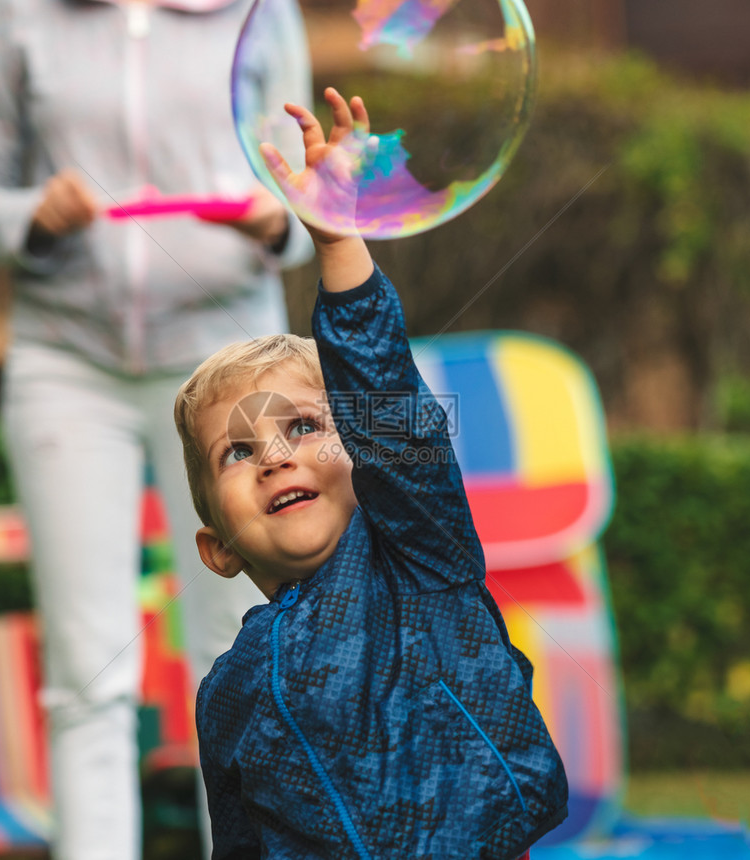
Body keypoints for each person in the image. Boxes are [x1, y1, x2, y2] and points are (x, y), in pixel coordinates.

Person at [0, 0, 312, 858]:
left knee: (244, 651)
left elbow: (307, 199)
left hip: (232, 370)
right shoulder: (19, 14)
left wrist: (274, 218)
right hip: (67, 364)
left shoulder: (264, 11)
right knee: (89, 672)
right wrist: (33, 213)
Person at [173, 87, 569, 859]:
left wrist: (337, 245)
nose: (276, 455)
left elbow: (387, 400)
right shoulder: (229, 692)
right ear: (218, 547)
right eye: (238, 451)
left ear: (365, 455)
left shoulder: (420, 557)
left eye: (305, 428)